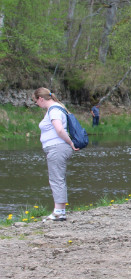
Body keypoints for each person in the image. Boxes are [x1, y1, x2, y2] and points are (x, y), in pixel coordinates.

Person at [33, 88, 80, 222]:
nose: (36, 104)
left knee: (56, 179)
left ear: (41, 99)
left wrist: (70, 143)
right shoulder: (56, 108)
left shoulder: (54, 110)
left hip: (57, 148)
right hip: (56, 148)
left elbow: (59, 129)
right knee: (58, 178)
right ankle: (60, 211)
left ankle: (59, 212)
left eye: (36, 101)